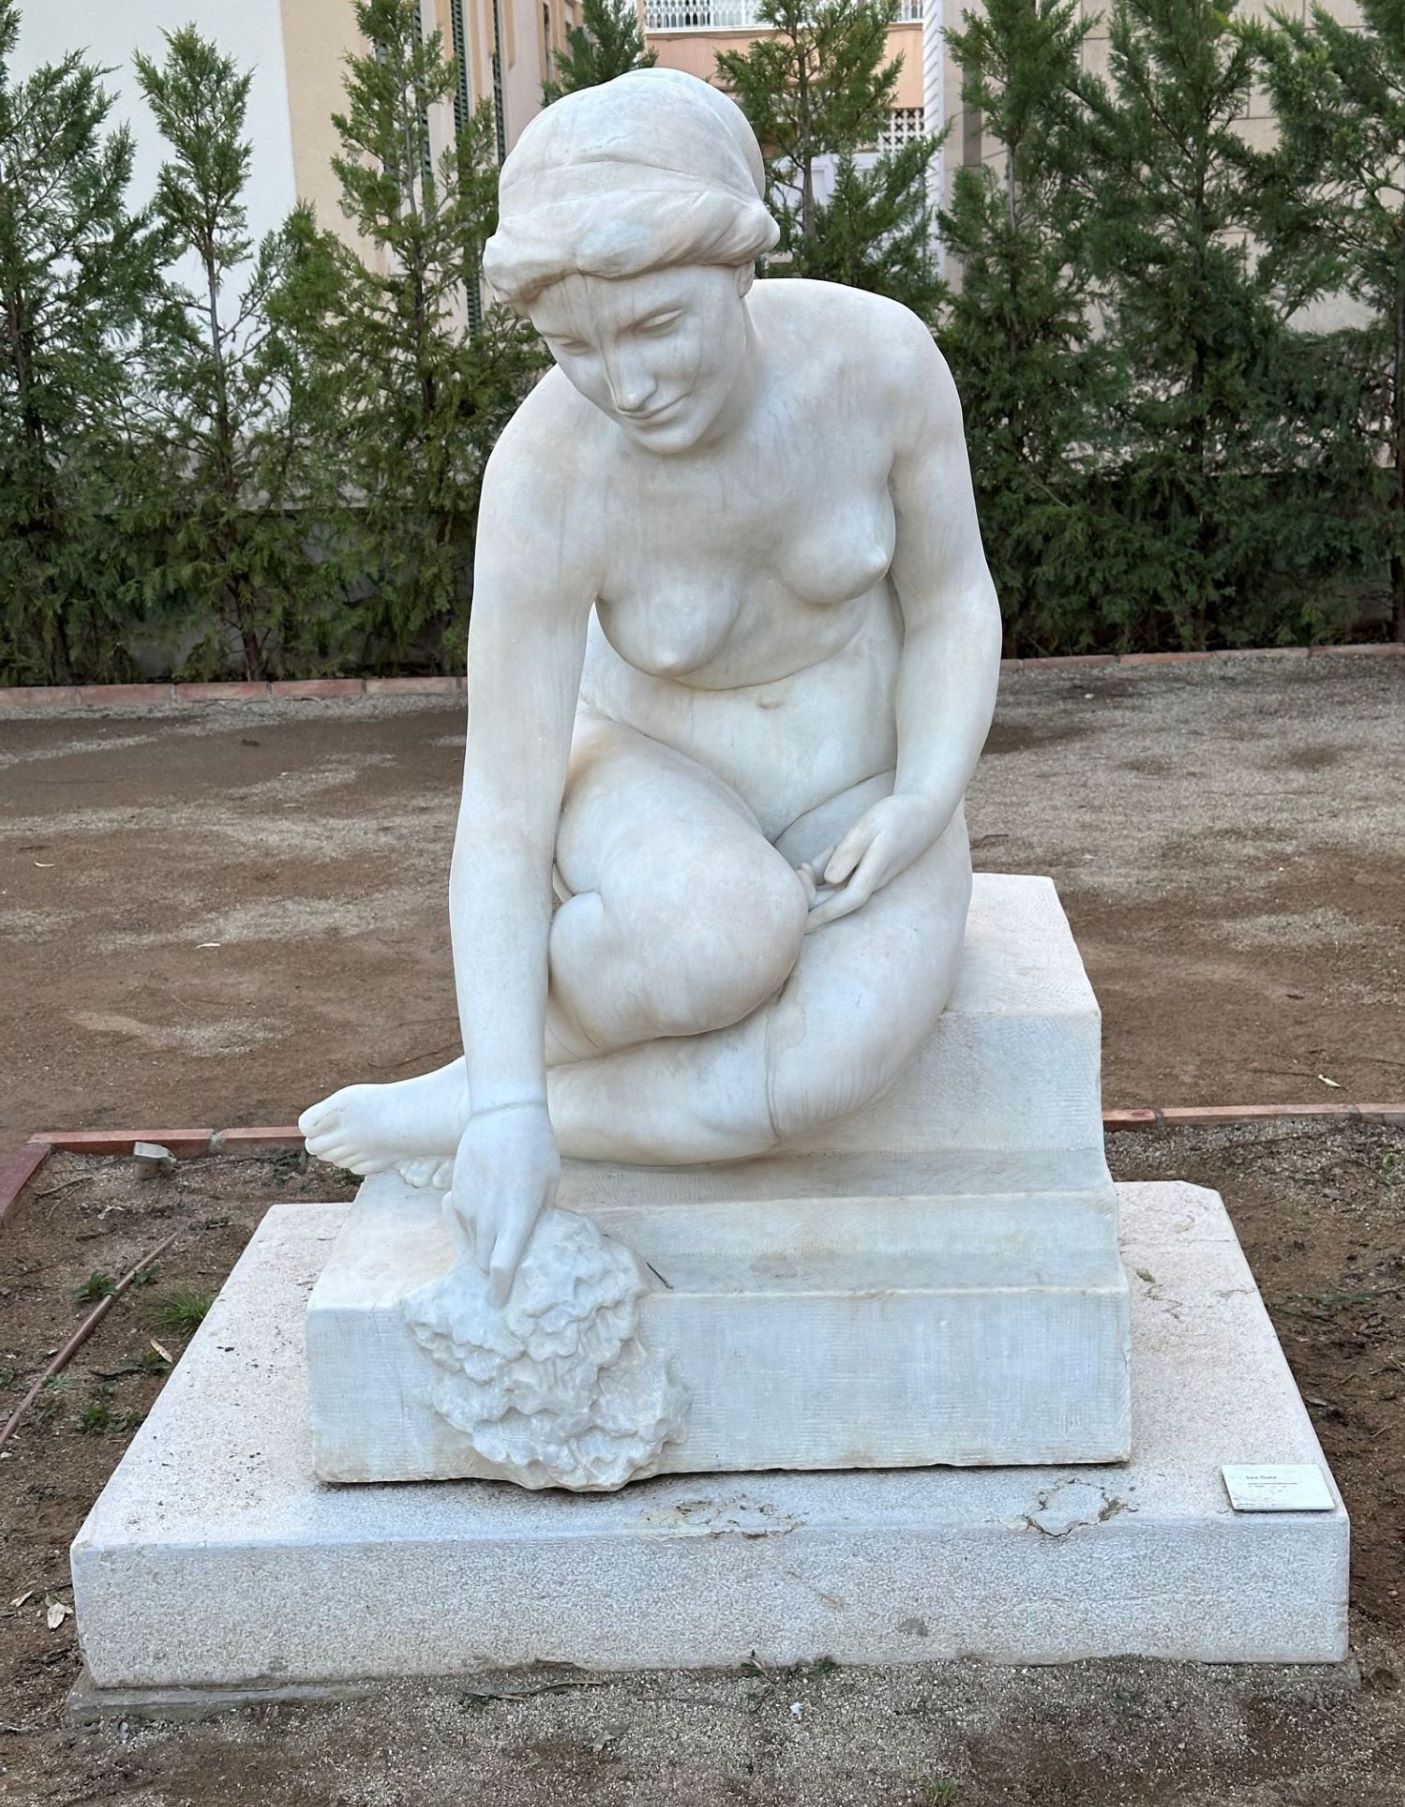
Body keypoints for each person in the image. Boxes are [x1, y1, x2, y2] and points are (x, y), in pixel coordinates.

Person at [301, 69, 1002, 1299]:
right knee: (726, 933)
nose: (627, 385)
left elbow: (950, 600)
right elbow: (505, 813)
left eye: (657, 327)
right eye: (575, 347)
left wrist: (924, 797)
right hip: (646, 772)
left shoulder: (879, 363)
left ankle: (473, 1109)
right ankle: (498, 1091)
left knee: (824, 1069)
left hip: (861, 783)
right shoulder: (546, 476)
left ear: (739, 270)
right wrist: (510, 1094)